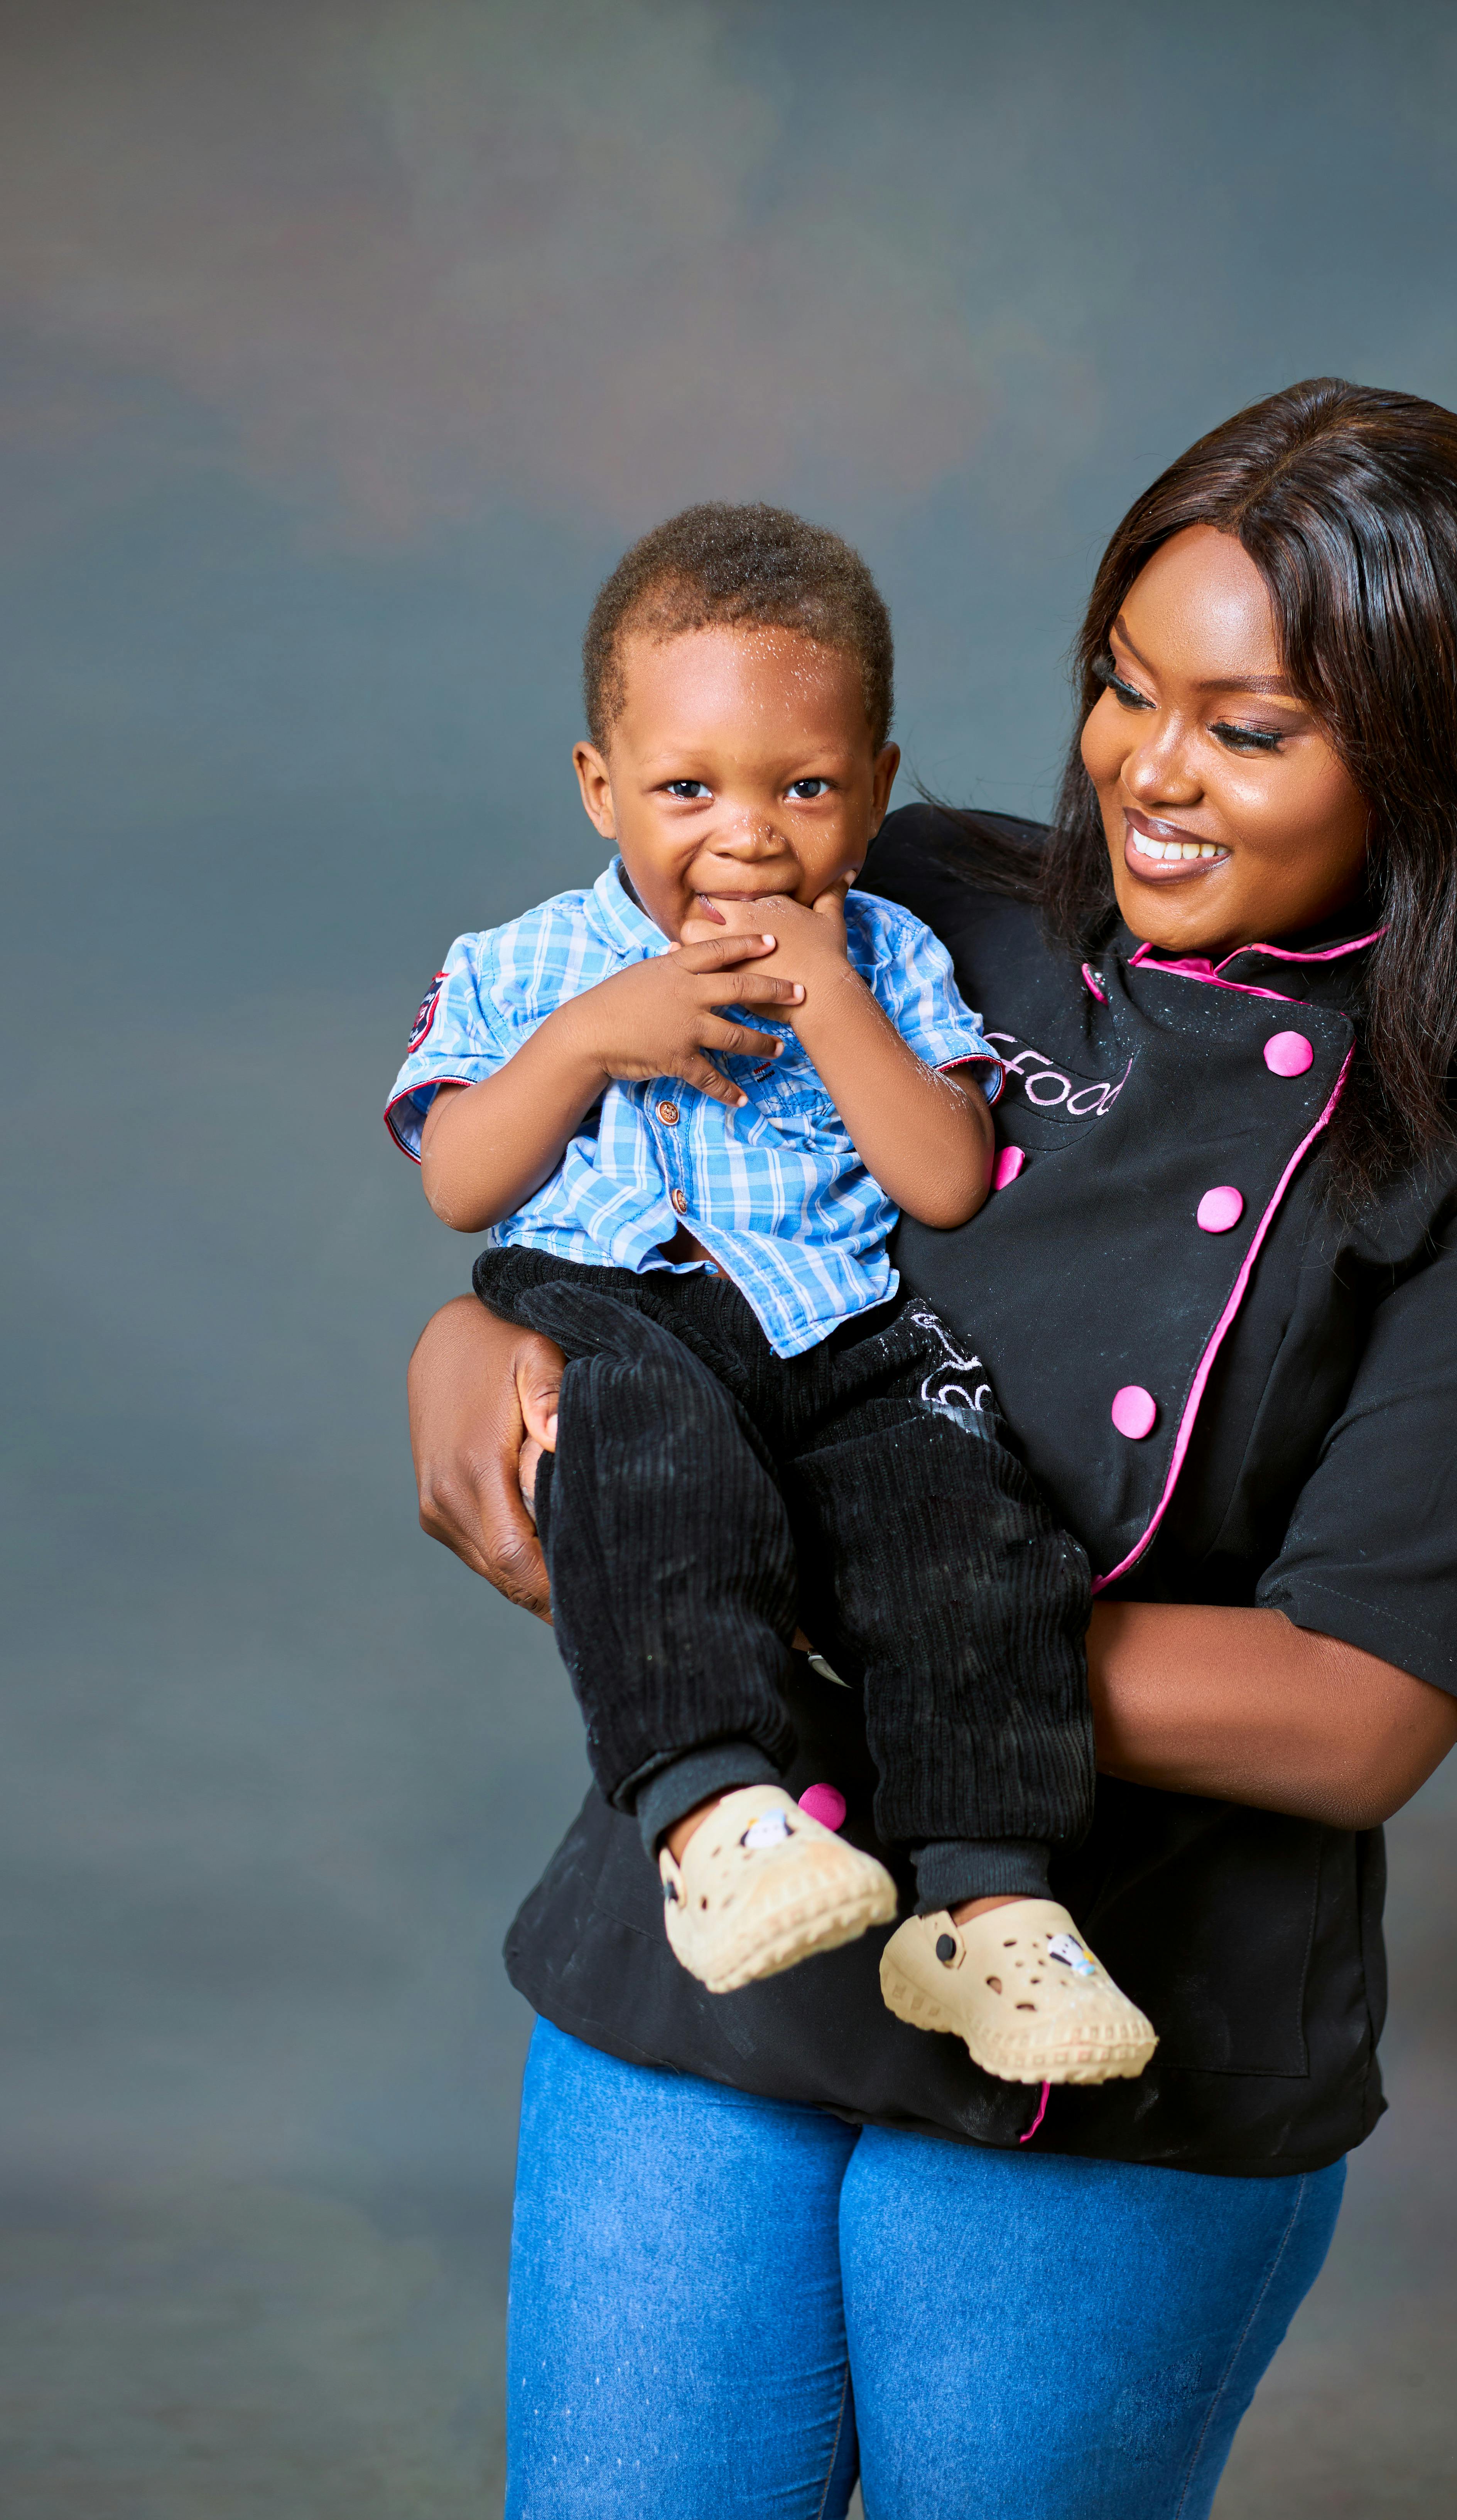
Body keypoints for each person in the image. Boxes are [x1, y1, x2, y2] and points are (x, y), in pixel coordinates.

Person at [408, 380, 1457, 2520]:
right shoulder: (909, 891)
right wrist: (481, 1325)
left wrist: (858, 1644)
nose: (1147, 775)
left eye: (1248, 732)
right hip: (718, 1923)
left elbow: (1359, 1710)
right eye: (1122, 690)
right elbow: (610, 1104)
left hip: (1123, 2006)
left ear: (1439, 760)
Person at [386, 502, 1155, 2085]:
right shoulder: (526, 963)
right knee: (658, 1456)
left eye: (803, 788)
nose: (746, 837)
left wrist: (836, 997)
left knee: (977, 1530)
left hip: (834, 1331)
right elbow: (461, 1177)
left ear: (874, 790)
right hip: (619, 1300)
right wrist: (595, 1036)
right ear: (603, 788)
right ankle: (713, 1816)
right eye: (686, 790)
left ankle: (988, 1909)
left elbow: (942, 1178)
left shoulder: (892, 956)